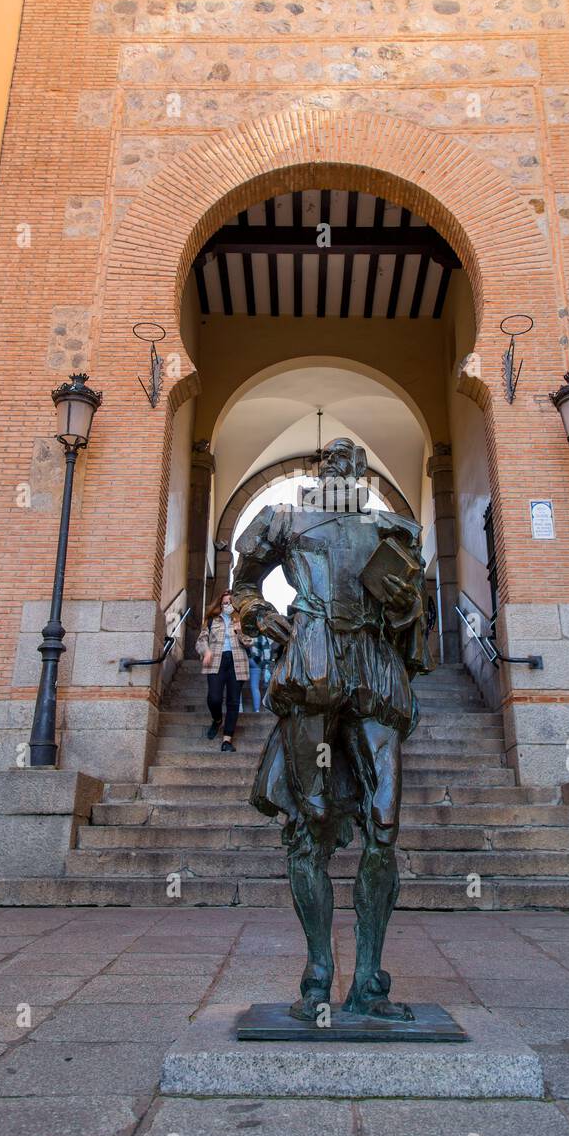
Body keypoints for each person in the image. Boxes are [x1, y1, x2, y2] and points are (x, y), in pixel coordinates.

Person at [233, 437, 431, 1021]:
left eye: (354, 461)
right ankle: (318, 972)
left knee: (385, 822)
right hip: (312, 664)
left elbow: (409, 614)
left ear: (364, 475)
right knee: (310, 820)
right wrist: (262, 616)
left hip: (372, 668)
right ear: (321, 472)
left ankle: (369, 979)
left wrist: (405, 605)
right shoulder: (283, 521)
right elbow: (243, 585)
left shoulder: (390, 529)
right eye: (333, 461)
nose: (343, 467)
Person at [195, 589, 252, 753]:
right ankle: (217, 718)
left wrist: (240, 630)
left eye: (231, 603)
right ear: (220, 605)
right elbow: (201, 640)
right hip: (216, 661)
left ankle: (227, 740)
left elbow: (249, 642)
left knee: (233, 701)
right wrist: (205, 651)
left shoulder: (242, 620)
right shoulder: (212, 621)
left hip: (237, 662)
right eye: (225, 603)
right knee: (214, 698)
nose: (228, 605)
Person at [247, 632, 273, 713]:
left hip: (242, 660)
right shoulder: (261, 635)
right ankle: (257, 710)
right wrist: (266, 666)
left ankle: (239, 707)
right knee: (254, 687)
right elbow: (266, 652)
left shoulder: (242, 633)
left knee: (237, 685)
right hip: (256, 662)